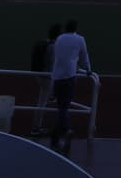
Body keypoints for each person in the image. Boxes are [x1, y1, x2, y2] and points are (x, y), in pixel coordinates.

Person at [50, 19, 91, 154]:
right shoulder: (80, 39)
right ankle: (67, 130)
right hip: (69, 77)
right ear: (76, 28)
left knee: (61, 107)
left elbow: (59, 56)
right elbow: (84, 56)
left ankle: (55, 139)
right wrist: (88, 69)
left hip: (57, 77)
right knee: (64, 108)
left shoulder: (59, 38)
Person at [31, 24, 62, 134]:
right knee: (42, 101)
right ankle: (36, 128)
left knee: (46, 94)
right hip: (46, 77)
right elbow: (52, 65)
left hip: (39, 74)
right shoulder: (52, 47)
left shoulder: (45, 43)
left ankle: (51, 95)